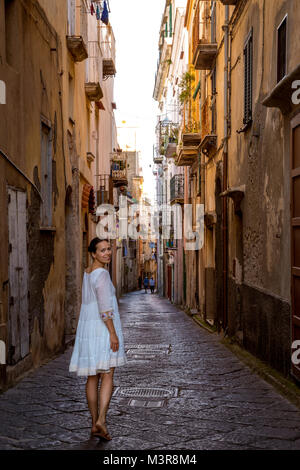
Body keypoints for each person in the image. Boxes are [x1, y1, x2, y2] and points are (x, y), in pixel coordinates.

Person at [69, 237, 127, 440]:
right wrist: (112, 332)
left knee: (92, 377)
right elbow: (105, 309)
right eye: (102, 250)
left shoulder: (88, 272)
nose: (107, 253)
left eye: (109, 249)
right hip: (102, 330)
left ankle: (94, 424)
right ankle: (101, 420)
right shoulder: (102, 274)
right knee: (108, 375)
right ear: (93, 253)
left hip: (88, 328)